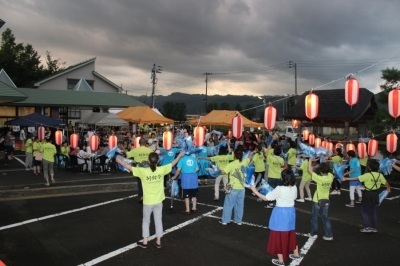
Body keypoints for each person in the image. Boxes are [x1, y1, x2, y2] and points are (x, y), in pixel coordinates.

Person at [117, 151, 185, 248]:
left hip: (148, 201)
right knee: (158, 220)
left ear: (148, 161)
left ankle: (145, 241)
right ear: (158, 161)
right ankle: (158, 241)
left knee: (146, 221)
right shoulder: (161, 169)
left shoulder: (143, 171)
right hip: (158, 200)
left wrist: (120, 161)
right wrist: (179, 155)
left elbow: (128, 167)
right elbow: (172, 163)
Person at [250, 169, 301, 266]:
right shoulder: (294, 187)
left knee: (278, 236)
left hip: (281, 213)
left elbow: (266, 198)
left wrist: (254, 190)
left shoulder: (279, 188)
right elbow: (293, 197)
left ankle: (281, 261)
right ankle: (296, 253)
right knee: (291, 233)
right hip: (290, 212)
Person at [342, 159, 391, 233]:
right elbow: (387, 184)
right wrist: (388, 188)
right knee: (373, 211)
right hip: (375, 194)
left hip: (367, 194)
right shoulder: (380, 175)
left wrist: (346, 178)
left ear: (369, 168)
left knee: (364, 210)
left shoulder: (367, 175)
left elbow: (356, 178)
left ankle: (367, 227)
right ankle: (374, 227)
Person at [219, 147, 250, 225]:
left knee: (228, 204)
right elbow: (249, 158)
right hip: (242, 187)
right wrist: (252, 152)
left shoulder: (231, 164)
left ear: (234, 155)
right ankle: (238, 220)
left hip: (233, 187)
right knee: (240, 205)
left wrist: (216, 169)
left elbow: (223, 172)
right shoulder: (245, 162)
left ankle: (225, 220)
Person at [307, 159, 334, 241]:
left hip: (317, 201)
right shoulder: (330, 176)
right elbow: (327, 170)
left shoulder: (319, 178)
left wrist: (310, 160)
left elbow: (309, 170)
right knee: (325, 218)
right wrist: (325, 161)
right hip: (326, 200)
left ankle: (314, 233)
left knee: (314, 217)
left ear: (321, 171)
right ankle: (329, 235)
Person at [126, 138, 153, 203]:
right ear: (145, 143)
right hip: (148, 168)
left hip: (139, 169)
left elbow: (127, 154)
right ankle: (149, 196)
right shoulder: (150, 150)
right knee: (148, 182)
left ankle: (142, 197)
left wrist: (124, 149)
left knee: (140, 183)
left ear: (139, 143)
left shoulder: (135, 150)